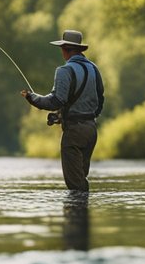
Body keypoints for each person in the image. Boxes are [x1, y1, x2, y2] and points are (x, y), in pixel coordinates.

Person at [21, 29, 104, 192]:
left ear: (65, 49)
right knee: (81, 179)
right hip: (91, 130)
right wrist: (68, 116)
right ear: (80, 49)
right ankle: (82, 215)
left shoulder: (64, 71)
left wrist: (32, 98)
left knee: (75, 185)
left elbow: (55, 101)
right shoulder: (95, 69)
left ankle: (76, 216)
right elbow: (100, 99)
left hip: (74, 133)